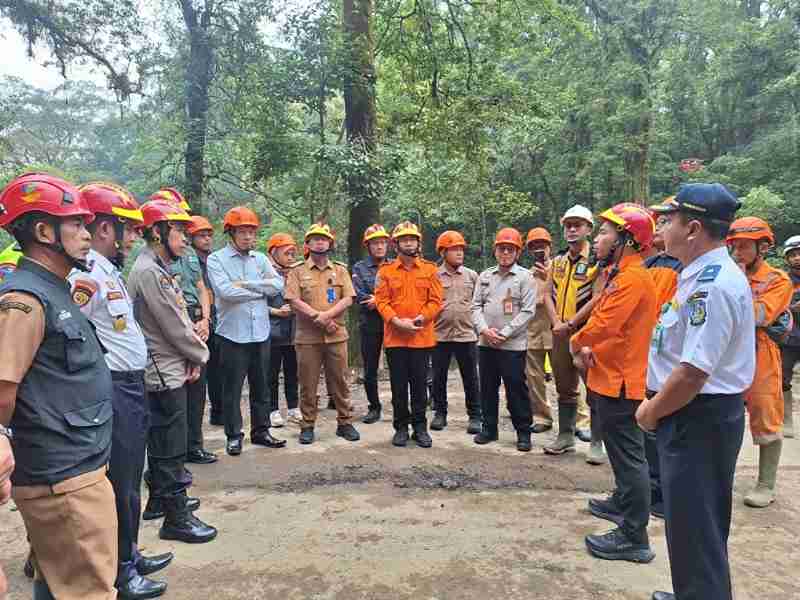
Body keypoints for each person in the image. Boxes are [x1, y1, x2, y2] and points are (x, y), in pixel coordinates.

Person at [0, 172, 118, 600]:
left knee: (57, 582)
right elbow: (2, 390)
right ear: (43, 231)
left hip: (76, 464)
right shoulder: (25, 300)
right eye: (78, 226)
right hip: (61, 476)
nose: (88, 236)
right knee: (88, 590)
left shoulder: (55, 289)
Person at [636, 184, 754, 600]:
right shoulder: (698, 275)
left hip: (696, 416)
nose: (661, 228)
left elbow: (691, 373)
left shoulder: (713, 284)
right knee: (693, 521)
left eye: (668, 220)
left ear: (694, 229)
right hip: (696, 415)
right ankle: (698, 592)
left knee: (695, 522)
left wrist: (651, 411)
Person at [68, 182, 174, 599]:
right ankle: (121, 570)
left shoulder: (106, 267)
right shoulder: (86, 272)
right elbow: (68, 331)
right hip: (112, 387)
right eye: (128, 230)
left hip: (130, 385)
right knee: (121, 482)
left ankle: (128, 550)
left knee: (130, 478)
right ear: (106, 228)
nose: (133, 237)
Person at [571, 203, 658, 563]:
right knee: (624, 456)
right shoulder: (621, 274)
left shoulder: (633, 278)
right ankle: (622, 503)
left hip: (623, 382)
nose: (598, 238)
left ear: (627, 240)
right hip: (610, 377)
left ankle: (634, 536)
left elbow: (604, 325)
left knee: (629, 458)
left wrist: (577, 342)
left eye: (606, 232)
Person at [128, 199, 218, 544]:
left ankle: (161, 503)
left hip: (169, 363)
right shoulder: (150, 271)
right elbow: (174, 326)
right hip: (162, 368)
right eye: (178, 230)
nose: (184, 237)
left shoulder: (158, 268)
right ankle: (176, 517)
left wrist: (191, 356)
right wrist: (199, 355)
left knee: (167, 439)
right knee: (170, 443)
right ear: (157, 233)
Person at [207, 206, 286, 455]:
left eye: (252, 232)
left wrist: (249, 285)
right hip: (232, 334)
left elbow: (277, 285)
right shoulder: (216, 259)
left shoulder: (260, 259)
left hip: (260, 333)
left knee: (262, 386)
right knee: (231, 388)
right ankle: (233, 435)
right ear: (231, 233)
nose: (248, 237)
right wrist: (260, 291)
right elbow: (225, 292)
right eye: (243, 232)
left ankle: (261, 431)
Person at [727, 216, 792, 507]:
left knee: (766, 413)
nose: (737, 253)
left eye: (743, 247)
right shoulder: (726, 272)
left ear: (762, 246)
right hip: (728, 353)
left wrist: (736, 286)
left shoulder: (777, 279)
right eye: (734, 247)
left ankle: (766, 484)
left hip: (761, 353)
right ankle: (722, 475)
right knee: (724, 415)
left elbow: (760, 315)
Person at [284, 223, 360, 445]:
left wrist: (327, 317)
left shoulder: (340, 270)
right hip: (308, 339)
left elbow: (348, 298)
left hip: (336, 336)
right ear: (307, 244)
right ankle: (307, 425)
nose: (319, 242)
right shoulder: (297, 271)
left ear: (330, 243)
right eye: (315, 238)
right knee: (308, 383)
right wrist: (318, 317)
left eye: (323, 239)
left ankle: (344, 422)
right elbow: (293, 300)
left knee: (340, 381)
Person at [158, 194, 216, 466]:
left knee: (197, 389)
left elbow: (203, 288)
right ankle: (174, 453)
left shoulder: (190, 253)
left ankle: (195, 445)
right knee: (175, 390)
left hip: (197, 322)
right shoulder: (156, 258)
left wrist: (205, 319)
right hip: (173, 324)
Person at [374, 221, 443, 447]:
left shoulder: (430, 269)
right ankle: (401, 427)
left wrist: (421, 319)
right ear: (396, 244)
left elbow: (436, 301)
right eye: (404, 239)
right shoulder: (385, 272)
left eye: (412, 239)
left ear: (418, 243)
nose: (409, 243)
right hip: (395, 339)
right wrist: (396, 321)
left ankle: (420, 427)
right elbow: (381, 302)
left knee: (420, 387)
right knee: (399, 387)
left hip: (422, 339)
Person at [471, 227, 536, 452]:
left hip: (512, 345)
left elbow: (528, 311)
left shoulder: (525, 277)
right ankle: (489, 428)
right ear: (495, 251)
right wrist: (484, 330)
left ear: (517, 253)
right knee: (487, 387)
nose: (505, 253)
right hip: (486, 343)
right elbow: (475, 306)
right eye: (501, 249)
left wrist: (505, 332)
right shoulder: (485, 276)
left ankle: (523, 432)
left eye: (510, 249)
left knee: (515, 387)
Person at [642, 202, 683, 519]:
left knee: (669, 427)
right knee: (651, 430)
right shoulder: (650, 263)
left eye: (666, 221)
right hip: (650, 353)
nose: (660, 227)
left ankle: (667, 493)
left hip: (675, 357)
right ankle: (654, 487)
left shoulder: (687, 268)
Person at [543, 205, 595, 455]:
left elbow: (598, 298)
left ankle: (598, 441)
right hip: (559, 332)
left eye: (578, 224)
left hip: (585, 333)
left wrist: (571, 324)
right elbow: (547, 294)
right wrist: (556, 323)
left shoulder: (597, 260)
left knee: (595, 387)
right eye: (568, 225)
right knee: (565, 386)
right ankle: (565, 436)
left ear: (589, 229)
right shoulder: (557, 261)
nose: (572, 229)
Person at [431, 230, 482, 434]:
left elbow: (479, 304)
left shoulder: (472, 275)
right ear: (443, 252)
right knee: (438, 377)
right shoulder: (433, 275)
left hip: (466, 334)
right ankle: (440, 413)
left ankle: (475, 416)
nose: (459, 253)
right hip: (439, 335)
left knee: (471, 377)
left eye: (461, 249)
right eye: (454, 249)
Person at [352, 224, 392, 424]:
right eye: (375, 243)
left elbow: (402, 294)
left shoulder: (396, 266)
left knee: (398, 367)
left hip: (394, 324)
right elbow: (360, 296)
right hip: (370, 325)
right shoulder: (359, 268)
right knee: (370, 368)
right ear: (368, 246)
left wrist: (378, 300)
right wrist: (383, 300)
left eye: (383, 242)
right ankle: (374, 407)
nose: (379, 247)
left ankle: (401, 404)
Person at [187, 215, 224, 426]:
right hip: (198, 321)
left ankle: (218, 412)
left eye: (209, 235)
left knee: (219, 370)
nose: (207, 239)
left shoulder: (215, 260)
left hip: (216, 320)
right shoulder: (188, 261)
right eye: (202, 235)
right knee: (200, 371)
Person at [266, 233, 301, 425]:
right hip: (272, 332)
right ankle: (272, 409)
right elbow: (256, 303)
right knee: (271, 373)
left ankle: (294, 407)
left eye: (292, 253)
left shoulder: (296, 273)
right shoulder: (264, 274)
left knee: (292, 371)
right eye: (286, 253)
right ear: (273, 252)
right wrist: (275, 311)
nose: (290, 257)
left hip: (294, 332)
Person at [525, 227, 556, 435]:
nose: (539, 250)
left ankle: (581, 421)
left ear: (549, 247)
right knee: (534, 379)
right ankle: (541, 417)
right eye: (535, 246)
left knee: (567, 379)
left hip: (557, 330)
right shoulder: (526, 276)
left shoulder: (561, 269)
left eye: (542, 246)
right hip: (533, 331)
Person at [780, 234, 800, 439]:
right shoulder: (783, 280)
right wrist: (792, 308)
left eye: (799, 254)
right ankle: (787, 420)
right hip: (790, 337)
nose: (797, 258)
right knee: (783, 379)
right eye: (792, 255)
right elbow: (778, 306)